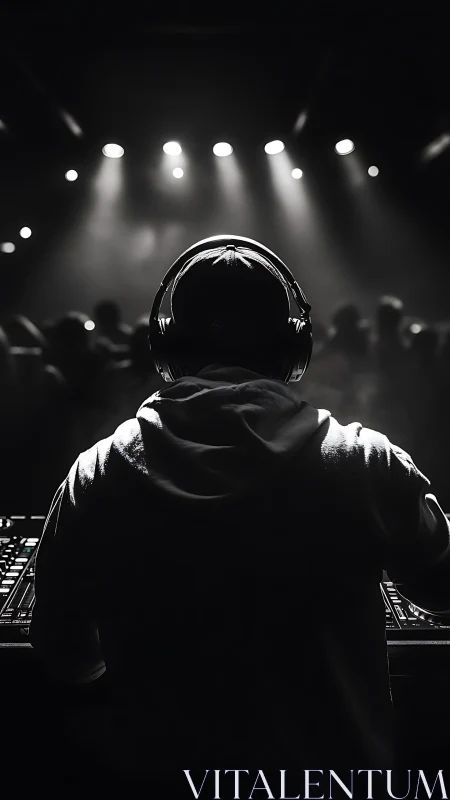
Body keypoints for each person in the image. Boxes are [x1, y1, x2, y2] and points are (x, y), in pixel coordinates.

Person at [30, 236, 450, 796]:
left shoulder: (96, 474)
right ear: (295, 347)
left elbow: (67, 658)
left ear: (165, 346)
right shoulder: (366, 461)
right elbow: (441, 588)